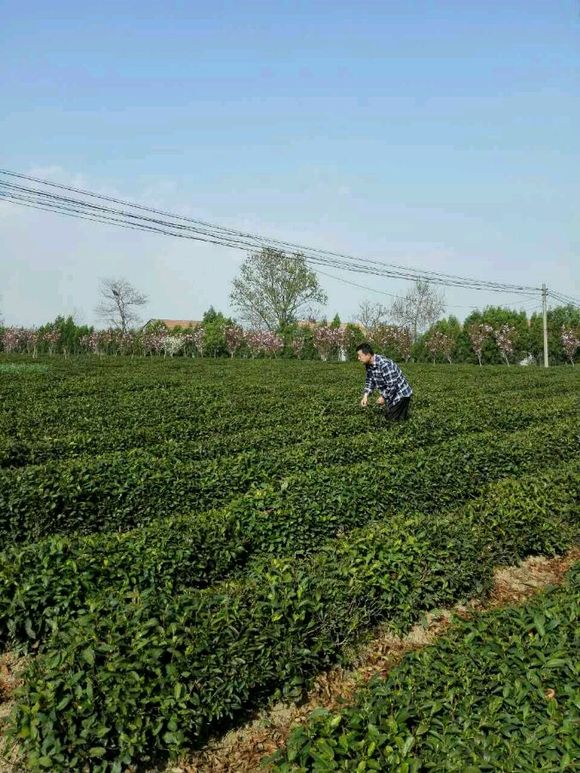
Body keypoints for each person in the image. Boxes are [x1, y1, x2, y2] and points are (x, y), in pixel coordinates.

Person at [356, 342, 413, 421]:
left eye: (360, 356)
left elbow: (393, 384)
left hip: (401, 394)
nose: (358, 358)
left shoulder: (384, 364)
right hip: (392, 394)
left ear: (368, 355)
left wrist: (383, 397)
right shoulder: (368, 365)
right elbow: (370, 381)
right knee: (397, 420)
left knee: (391, 421)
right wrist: (365, 396)